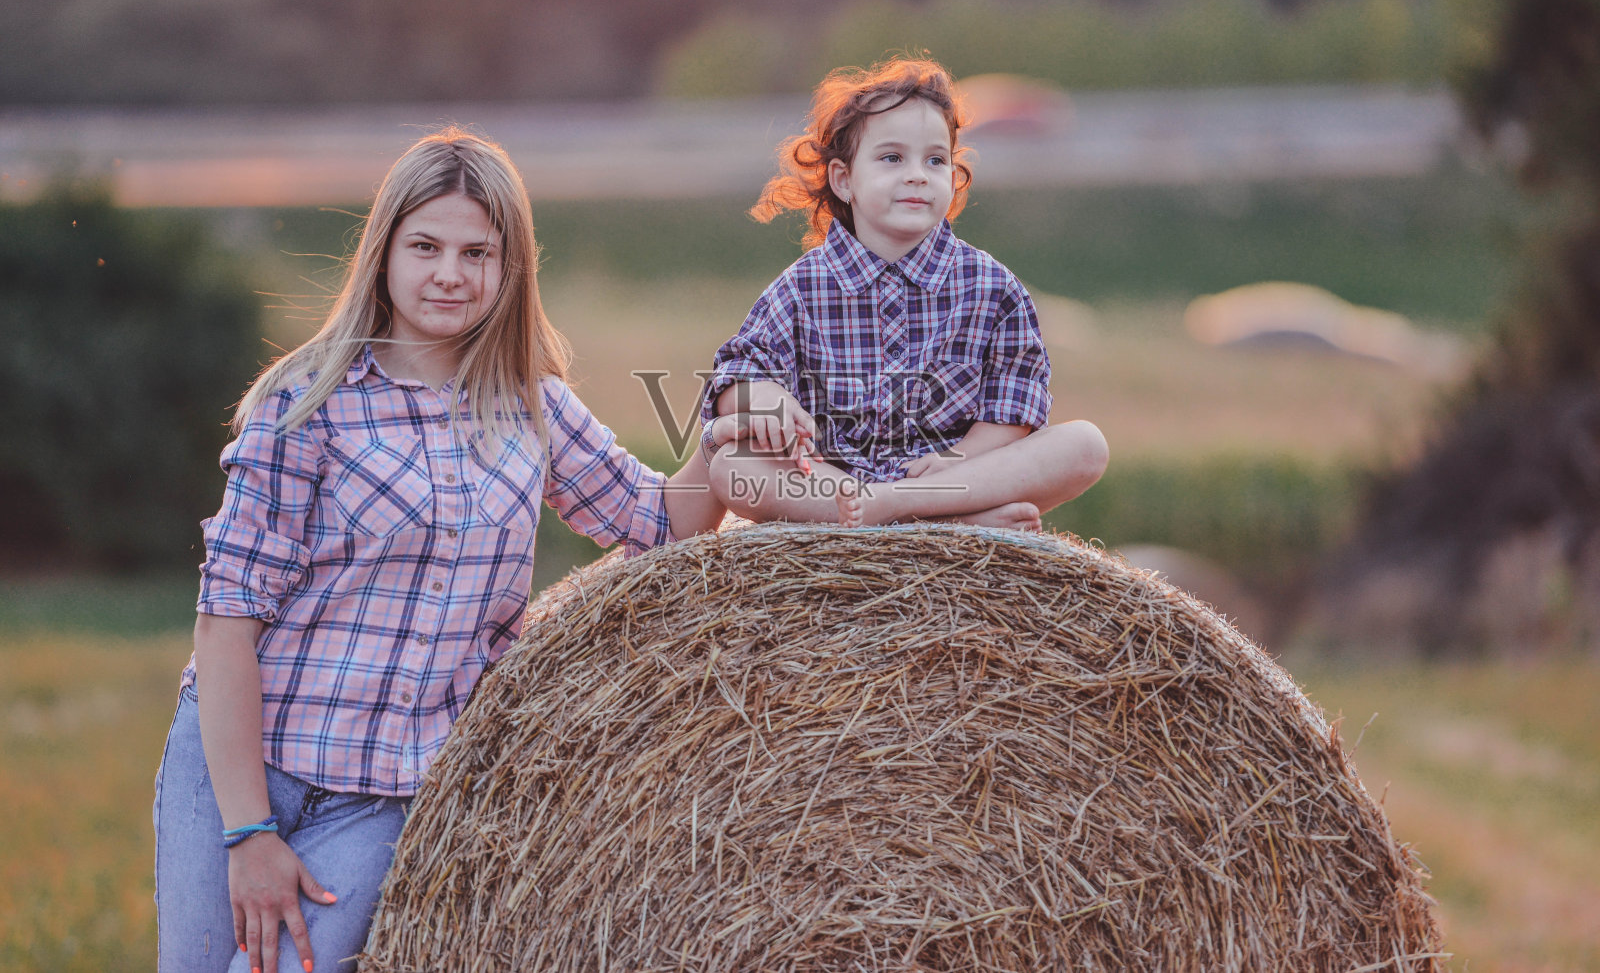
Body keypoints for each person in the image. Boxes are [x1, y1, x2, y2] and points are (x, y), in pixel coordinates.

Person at [152, 129, 772, 973]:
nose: (450, 272)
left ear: (509, 267)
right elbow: (227, 621)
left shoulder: (531, 405)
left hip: (378, 799)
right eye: (426, 247)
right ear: (383, 253)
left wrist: (730, 421)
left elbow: (657, 521)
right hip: (238, 761)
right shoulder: (308, 404)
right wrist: (249, 829)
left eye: (477, 252)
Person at [702, 56, 1109, 529]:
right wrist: (767, 401)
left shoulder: (992, 287)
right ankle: (949, 525)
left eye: (935, 160)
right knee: (731, 464)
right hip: (838, 486)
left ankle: (904, 507)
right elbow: (736, 374)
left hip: (950, 476)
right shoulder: (800, 288)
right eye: (892, 158)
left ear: (952, 178)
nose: (917, 174)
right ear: (843, 179)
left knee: (1085, 445)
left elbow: (1013, 411)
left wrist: (957, 460)